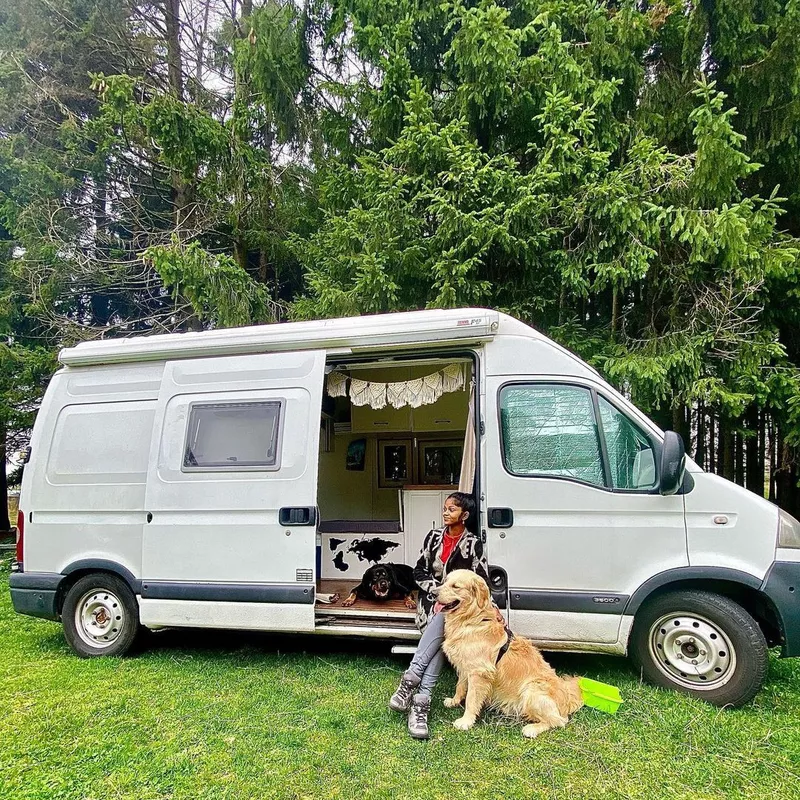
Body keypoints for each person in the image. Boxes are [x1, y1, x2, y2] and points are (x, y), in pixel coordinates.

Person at [388, 491, 490, 739]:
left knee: (443, 626)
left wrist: (490, 609)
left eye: (452, 509)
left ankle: (410, 684)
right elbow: (419, 571)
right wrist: (437, 592)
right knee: (441, 628)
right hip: (431, 601)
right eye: (445, 508)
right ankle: (421, 703)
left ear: (464, 515)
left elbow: (482, 580)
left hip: (458, 610)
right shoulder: (433, 538)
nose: (446, 512)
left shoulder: (473, 544)